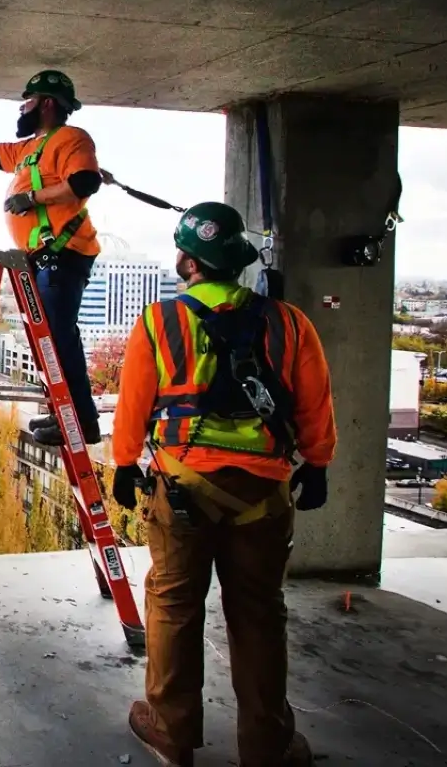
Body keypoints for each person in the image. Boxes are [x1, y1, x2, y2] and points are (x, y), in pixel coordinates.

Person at [110, 201, 336, 767]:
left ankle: (170, 731)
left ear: (188, 261)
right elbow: (315, 406)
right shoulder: (289, 323)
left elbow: (133, 407)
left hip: (183, 486)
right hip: (263, 493)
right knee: (259, 613)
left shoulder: (160, 322)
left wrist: (122, 464)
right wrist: (320, 463)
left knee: (174, 605)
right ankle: (267, 745)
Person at [0, 70, 108, 444]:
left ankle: (81, 421)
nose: (22, 107)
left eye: (28, 100)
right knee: (48, 339)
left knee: (59, 340)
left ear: (47, 103)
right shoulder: (30, 149)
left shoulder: (71, 139)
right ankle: (67, 417)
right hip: (45, 258)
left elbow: (86, 181)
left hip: (62, 255)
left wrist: (32, 199)